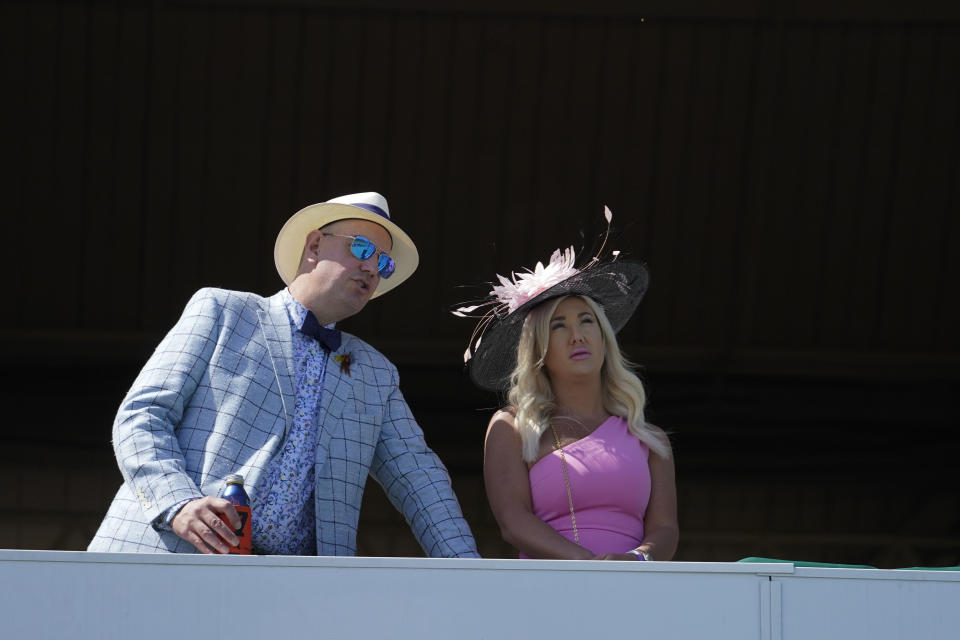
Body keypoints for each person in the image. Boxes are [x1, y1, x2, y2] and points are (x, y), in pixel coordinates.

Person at [89, 192, 479, 557]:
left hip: (289, 593)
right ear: (313, 246)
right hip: (165, 557)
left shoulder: (376, 373)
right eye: (361, 248)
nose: (371, 267)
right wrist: (178, 503)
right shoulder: (224, 311)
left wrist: (474, 574)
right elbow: (141, 417)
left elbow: (421, 480)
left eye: (383, 263)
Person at [456, 227, 678, 561]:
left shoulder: (651, 440)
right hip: (549, 595)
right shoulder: (513, 427)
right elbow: (513, 522)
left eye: (586, 321)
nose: (577, 336)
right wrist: (586, 566)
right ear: (537, 349)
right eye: (558, 325)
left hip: (634, 595)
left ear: (604, 339)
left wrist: (637, 560)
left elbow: (665, 529)